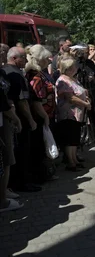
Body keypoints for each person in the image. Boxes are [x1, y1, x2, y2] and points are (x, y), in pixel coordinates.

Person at [3, 47, 41, 192]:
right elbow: (22, 101)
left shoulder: (5, 71)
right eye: (23, 58)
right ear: (14, 58)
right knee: (23, 152)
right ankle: (23, 182)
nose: (26, 60)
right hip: (21, 119)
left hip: (12, 119)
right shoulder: (15, 74)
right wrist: (31, 120)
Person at [25, 45, 58, 182]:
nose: (49, 61)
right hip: (40, 116)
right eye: (46, 59)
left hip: (45, 114)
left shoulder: (39, 73)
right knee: (40, 146)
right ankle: (41, 175)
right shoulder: (35, 76)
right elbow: (36, 99)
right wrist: (44, 116)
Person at [56, 55, 90, 172]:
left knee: (75, 138)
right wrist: (85, 104)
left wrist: (86, 98)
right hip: (68, 114)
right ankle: (70, 163)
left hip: (77, 114)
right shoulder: (63, 81)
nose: (76, 68)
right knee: (69, 139)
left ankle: (74, 159)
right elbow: (70, 98)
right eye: (74, 66)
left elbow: (80, 91)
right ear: (69, 68)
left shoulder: (72, 78)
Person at [0, 67, 23, 213]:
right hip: (3, 122)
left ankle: (4, 194)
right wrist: (16, 119)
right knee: (6, 158)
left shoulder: (2, 73)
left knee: (6, 159)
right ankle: (2, 201)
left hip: (4, 121)